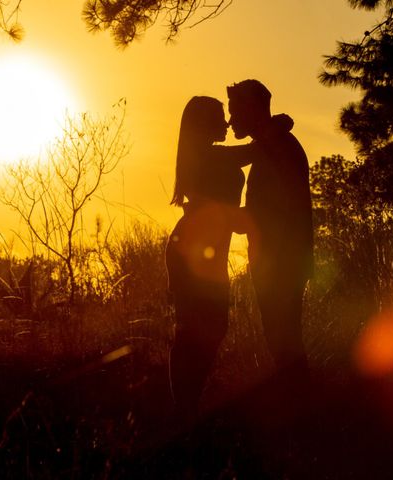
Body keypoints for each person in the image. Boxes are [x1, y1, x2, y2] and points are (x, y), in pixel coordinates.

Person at [226, 79, 314, 387]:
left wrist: (228, 219)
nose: (230, 120)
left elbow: (281, 208)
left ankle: (301, 409)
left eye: (234, 111)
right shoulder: (271, 144)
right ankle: (300, 404)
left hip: (281, 261)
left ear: (251, 109)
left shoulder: (277, 146)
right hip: (281, 259)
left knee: (284, 340)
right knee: (283, 340)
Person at [165, 96, 246, 421]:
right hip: (193, 250)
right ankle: (184, 412)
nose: (227, 123)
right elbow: (253, 152)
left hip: (203, 250)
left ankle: (185, 410)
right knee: (197, 330)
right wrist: (273, 128)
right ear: (203, 123)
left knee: (203, 329)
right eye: (220, 117)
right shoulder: (210, 157)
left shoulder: (208, 156)